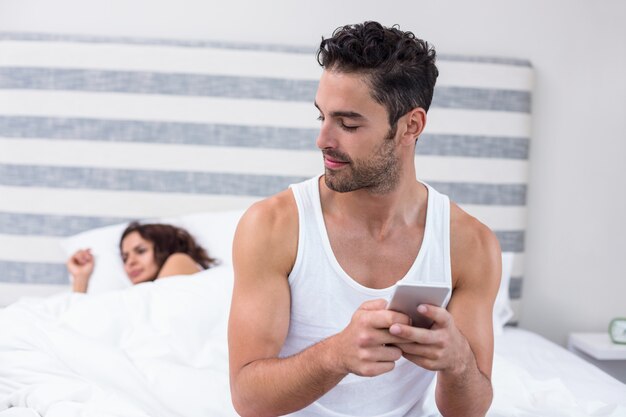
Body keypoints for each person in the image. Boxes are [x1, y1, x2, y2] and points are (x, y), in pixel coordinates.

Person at [228, 21, 501, 417]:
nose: (322, 139)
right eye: (321, 116)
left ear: (411, 126)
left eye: (348, 123)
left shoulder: (470, 244)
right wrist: (336, 355)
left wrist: (458, 362)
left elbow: (467, 411)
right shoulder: (272, 226)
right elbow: (248, 399)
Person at [67, 222, 217, 293]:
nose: (130, 262)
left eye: (141, 251)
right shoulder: (140, 295)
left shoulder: (179, 260)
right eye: (125, 258)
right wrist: (80, 278)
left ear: (165, 248)